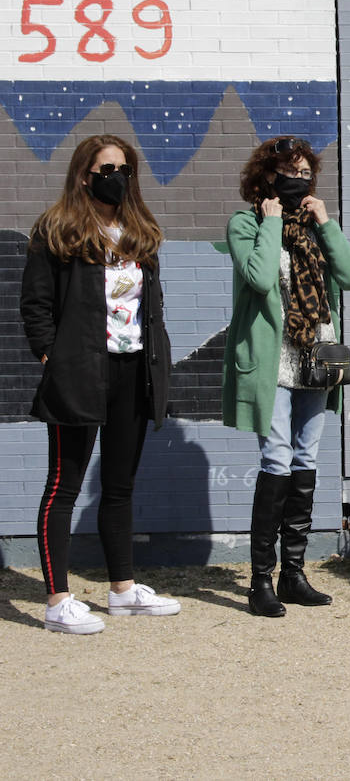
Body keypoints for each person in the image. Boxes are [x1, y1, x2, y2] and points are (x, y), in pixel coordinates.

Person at [20, 134, 180, 634]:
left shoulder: (138, 229)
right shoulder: (58, 228)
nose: (118, 176)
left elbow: (148, 305)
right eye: (107, 167)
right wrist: (54, 356)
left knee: (119, 485)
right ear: (85, 174)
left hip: (134, 369)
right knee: (63, 487)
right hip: (80, 371)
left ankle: (123, 590)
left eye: (125, 168)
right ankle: (57, 600)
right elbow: (36, 305)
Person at [224, 136, 350, 617]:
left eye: (305, 173)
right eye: (289, 172)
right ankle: (259, 581)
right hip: (274, 363)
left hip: (318, 358)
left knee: (306, 458)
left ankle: (293, 573)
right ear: (266, 177)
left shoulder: (316, 224)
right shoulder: (246, 224)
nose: (298, 180)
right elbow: (261, 279)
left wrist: (326, 224)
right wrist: (268, 222)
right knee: (277, 460)